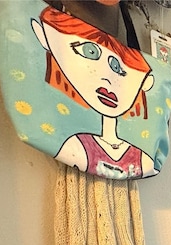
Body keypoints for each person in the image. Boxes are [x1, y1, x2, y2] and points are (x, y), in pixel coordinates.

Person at [32, 5, 158, 179]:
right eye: (90, 52)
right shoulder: (76, 144)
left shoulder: (143, 158)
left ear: (146, 82)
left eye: (118, 68)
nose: (107, 79)